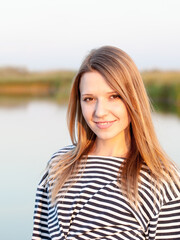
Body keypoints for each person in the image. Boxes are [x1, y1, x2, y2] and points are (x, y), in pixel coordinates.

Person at [32, 46, 180, 240]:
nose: (100, 111)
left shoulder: (161, 180)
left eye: (114, 96)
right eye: (89, 99)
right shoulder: (59, 165)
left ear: (133, 99)